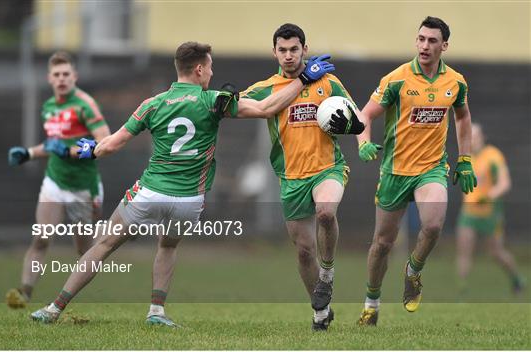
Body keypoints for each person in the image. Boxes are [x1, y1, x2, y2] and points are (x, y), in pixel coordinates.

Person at [30, 41, 336, 326]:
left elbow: (112, 144)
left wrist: (91, 150)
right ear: (200, 69)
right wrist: (303, 80)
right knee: (168, 245)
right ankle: (156, 311)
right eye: (211, 67)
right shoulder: (214, 101)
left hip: (148, 193)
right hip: (189, 201)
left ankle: (54, 308)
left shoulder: (153, 103)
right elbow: (266, 108)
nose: (212, 72)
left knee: (105, 244)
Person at [331, 16, 477, 326]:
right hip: (395, 172)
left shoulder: (455, 82)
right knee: (382, 244)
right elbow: (364, 114)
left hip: (432, 169)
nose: (425, 45)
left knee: (434, 225)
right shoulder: (396, 79)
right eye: (421, 39)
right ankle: (371, 303)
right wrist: (363, 143)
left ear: (444, 46)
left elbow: (463, 118)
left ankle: (413, 270)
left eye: (432, 41)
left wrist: (465, 160)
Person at [241, 23, 365, 331]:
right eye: (282, 50)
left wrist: (353, 129)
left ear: (305, 50)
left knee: (325, 212)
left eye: (294, 49)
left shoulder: (328, 82)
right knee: (304, 250)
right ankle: (320, 313)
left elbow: (358, 118)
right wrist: (224, 97)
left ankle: (328, 273)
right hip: (291, 177)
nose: (288, 56)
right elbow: (238, 104)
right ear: (274, 53)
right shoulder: (267, 87)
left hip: (328, 168)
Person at [6, 51, 110, 308]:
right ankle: (25, 293)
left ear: (74, 76)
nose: (62, 79)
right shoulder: (49, 107)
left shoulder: (85, 105)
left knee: (84, 251)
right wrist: (29, 153)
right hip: (55, 181)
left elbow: (105, 140)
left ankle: (114, 230)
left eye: (66, 74)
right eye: (57, 75)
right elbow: (53, 144)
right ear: (49, 78)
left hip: (83, 187)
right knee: (41, 236)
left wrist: (71, 151)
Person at [456, 123, 525, 295]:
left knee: (496, 252)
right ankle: (462, 288)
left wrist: (488, 196)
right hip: (469, 212)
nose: (472, 139)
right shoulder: (465, 159)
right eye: (469, 136)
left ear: (483, 137)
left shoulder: (493, 156)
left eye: (476, 135)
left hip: (490, 213)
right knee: (464, 250)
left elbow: (504, 183)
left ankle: (516, 279)